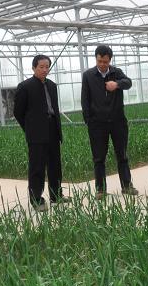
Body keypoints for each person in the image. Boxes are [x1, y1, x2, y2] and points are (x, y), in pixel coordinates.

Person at [81, 45, 138, 199]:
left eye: (105, 62)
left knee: (122, 155)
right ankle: (101, 189)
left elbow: (128, 82)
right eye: (99, 61)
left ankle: (127, 185)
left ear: (110, 60)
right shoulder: (88, 75)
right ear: (96, 59)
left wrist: (117, 84)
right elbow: (85, 99)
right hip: (97, 124)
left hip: (118, 121)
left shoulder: (116, 72)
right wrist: (88, 120)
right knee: (99, 158)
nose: (102, 64)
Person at [14, 55, 69, 211]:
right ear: (33, 68)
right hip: (36, 133)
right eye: (41, 67)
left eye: (47, 67)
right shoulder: (25, 86)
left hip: (53, 129)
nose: (45, 70)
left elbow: (54, 108)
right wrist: (29, 127)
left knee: (55, 165)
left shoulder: (52, 85)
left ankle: (56, 195)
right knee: (37, 167)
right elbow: (18, 112)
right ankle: (36, 199)